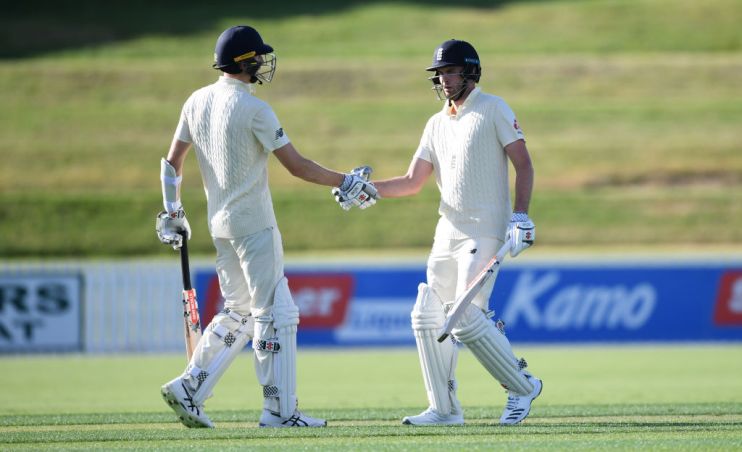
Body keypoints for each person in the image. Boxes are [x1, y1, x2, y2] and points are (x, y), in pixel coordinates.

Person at [155, 25, 377, 429]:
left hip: (220, 226)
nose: (262, 63)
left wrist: (172, 211)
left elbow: (171, 163)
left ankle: (189, 387)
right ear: (245, 62)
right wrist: (345, 180)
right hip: (254, 227)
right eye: (257, 57)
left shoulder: (196, 100)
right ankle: (280, 411)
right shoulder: (255, 110)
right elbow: (298, 166)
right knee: (275, 313)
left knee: (239, 311)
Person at [368, 39, 542, 425]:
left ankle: (523, 386)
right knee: (428, 313)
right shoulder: (435, 123)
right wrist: (369, 189)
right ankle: (444, 410)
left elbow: (525, 165)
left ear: (470, 72)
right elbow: (413, 181)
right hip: (447, 231)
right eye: (440, 73)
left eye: (450, 71)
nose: (444, 79)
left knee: (464, 316)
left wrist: (521, 216)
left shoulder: (494, 108)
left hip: (486, 229)